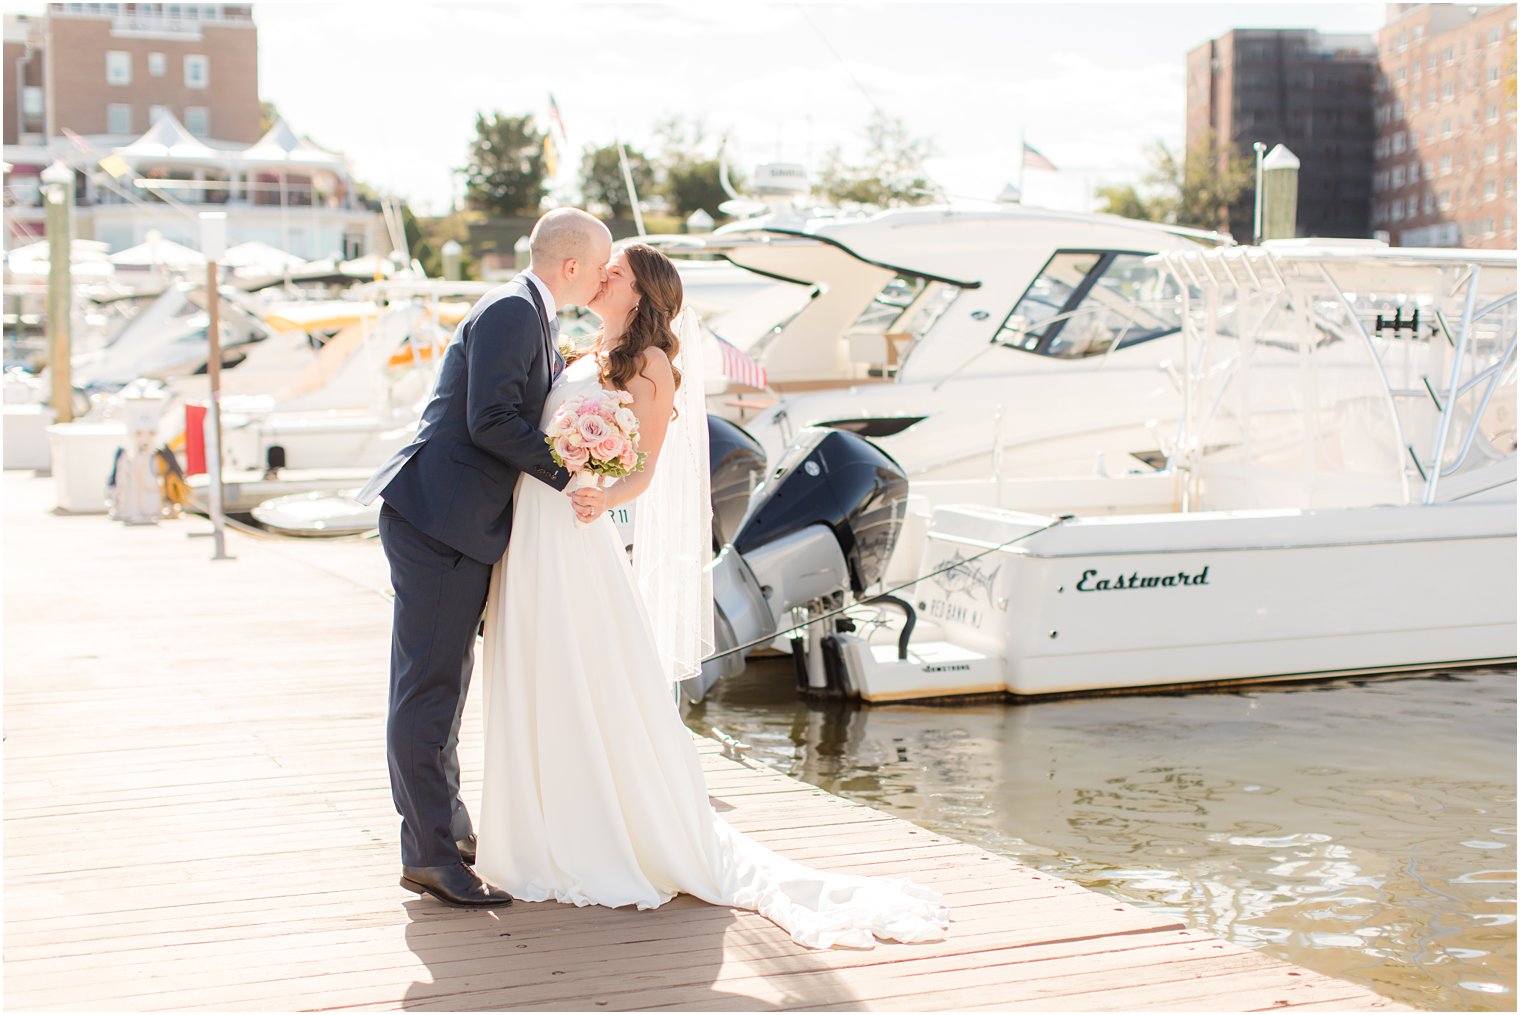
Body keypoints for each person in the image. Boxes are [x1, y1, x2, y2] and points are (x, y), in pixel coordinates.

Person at [473, 244, 950, 948]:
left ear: (639, 294)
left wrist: (600, 493)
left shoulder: (651, 364)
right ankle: (534, 828)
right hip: (533, 534)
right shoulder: (577, 349)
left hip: (576, 531)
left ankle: (591, 830)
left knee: (583, 677)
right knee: (538, 672)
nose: (601, 277)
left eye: (615, 273)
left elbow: (643, 471)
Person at [355, 208, 613, 908]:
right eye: (599, 266)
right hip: (439, 518)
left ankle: (448, 829)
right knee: (429, 690)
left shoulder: (531, 313)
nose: (603, 277)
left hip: (456, 520)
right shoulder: (510, 310)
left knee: (445, 684)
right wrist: (572, 475)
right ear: (569, 267)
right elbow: (490, 420)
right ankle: (430, 854)